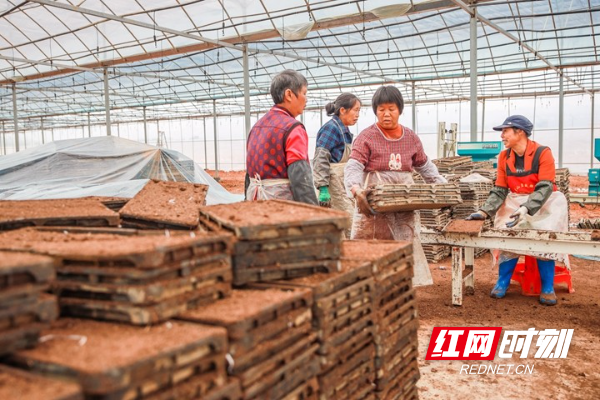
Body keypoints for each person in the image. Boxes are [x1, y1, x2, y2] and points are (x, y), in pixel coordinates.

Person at [344, 85, 446, 286]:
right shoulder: (366, 137)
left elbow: (425, 167)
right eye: (381, 110)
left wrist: (443, 188)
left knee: (402, 246)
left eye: (391, 109)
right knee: (370, 246)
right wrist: (356, 191)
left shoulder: (410, 138)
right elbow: (353, 168)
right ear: (375, 112)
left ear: (400, 110)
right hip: (372, 203)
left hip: (404, 204)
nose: (386, 114)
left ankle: (401, 290)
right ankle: (366, 290)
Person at [466, 115, 568, 306]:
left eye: (505, 131)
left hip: (545, 201)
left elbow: (545, 186)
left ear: (519, 131)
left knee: (545, 237)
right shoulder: (504, 156)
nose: (502, 136)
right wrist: (484, 212)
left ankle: (547, 287)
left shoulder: (543, 153)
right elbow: (500, 189)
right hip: (515, 200)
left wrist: (527, 208)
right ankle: (502, 282)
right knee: (506, 233)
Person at [245, 70, 317, 205]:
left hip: (255, 202)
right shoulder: (293, 128)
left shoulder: (256, 127)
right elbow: (300, 178)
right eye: (304, 93)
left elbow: (249, 175)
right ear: (289, 95)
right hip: (281, 205)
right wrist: (315, 214)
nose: (306, 99)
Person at [313, 93, 361, 235]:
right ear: (342, 110)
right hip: (332, 187)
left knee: (347, 224)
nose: (358, 114)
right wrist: (323, 188)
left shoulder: (343, 129)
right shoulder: (331, 128)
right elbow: (320, 158)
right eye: (356, 110)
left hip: (341, 184)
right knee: (344, 223)